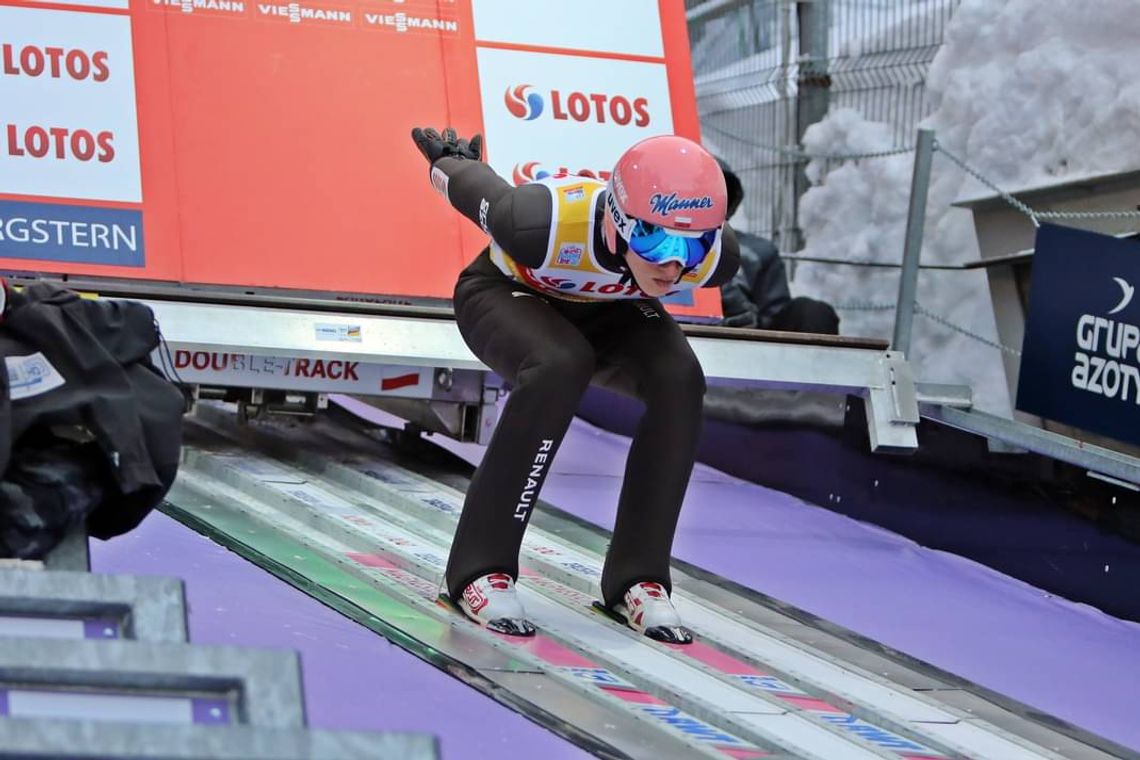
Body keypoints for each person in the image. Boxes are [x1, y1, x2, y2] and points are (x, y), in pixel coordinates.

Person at [411, 127, 740, 644]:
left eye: (695, 245)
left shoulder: (714, 258)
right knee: (559, 364)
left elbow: (681, 254)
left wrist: (672, 248)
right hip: (505, 292)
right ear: (617, 218)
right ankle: (479, 569)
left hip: (612, 309)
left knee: (680, 380)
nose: (675, 264)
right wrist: (448, 162)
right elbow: (481, 193)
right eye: (655, 239)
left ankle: (639, 578)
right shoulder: (540, 222)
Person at [717, 159, 839, 334]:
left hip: (745, 347)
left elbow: (774, 317)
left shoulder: (757, 251)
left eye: (713, 194)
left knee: (812, 312)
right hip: (673, 338)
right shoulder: (665, 242)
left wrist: (752, 323)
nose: (703, 201)